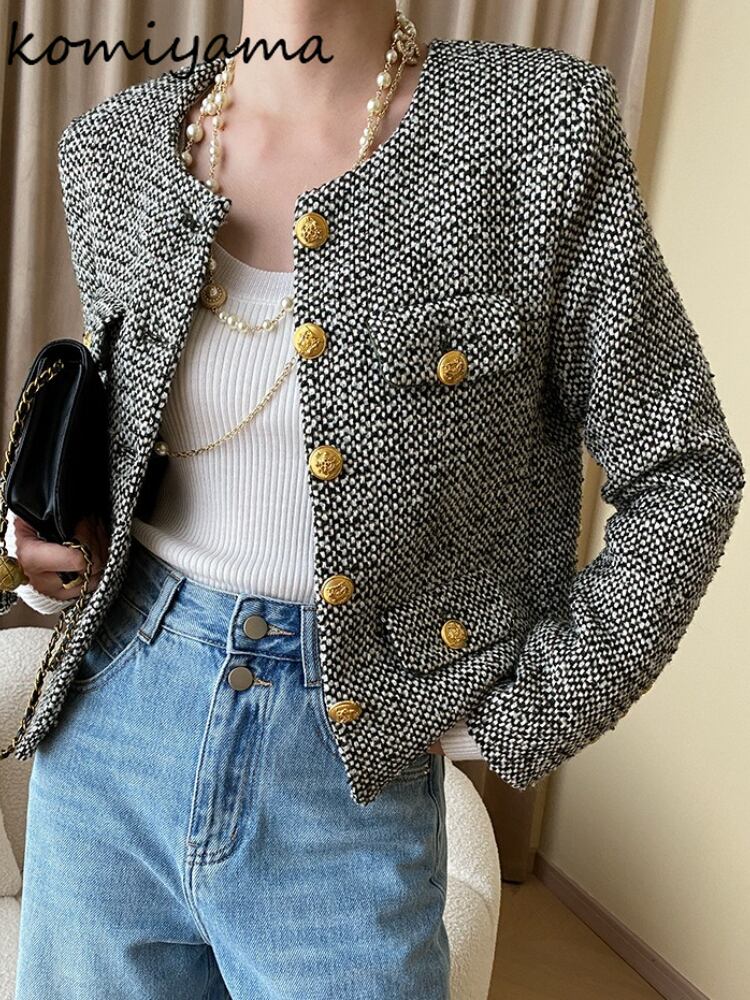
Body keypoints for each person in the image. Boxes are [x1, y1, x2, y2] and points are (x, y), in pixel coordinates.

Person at [8, 1, 744, 997]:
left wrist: (526, 710)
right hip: (112, 735)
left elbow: (684, 468)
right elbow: (134, 448)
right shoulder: (117, 149)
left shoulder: (536, 133)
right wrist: (47, 554)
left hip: (349, 772)